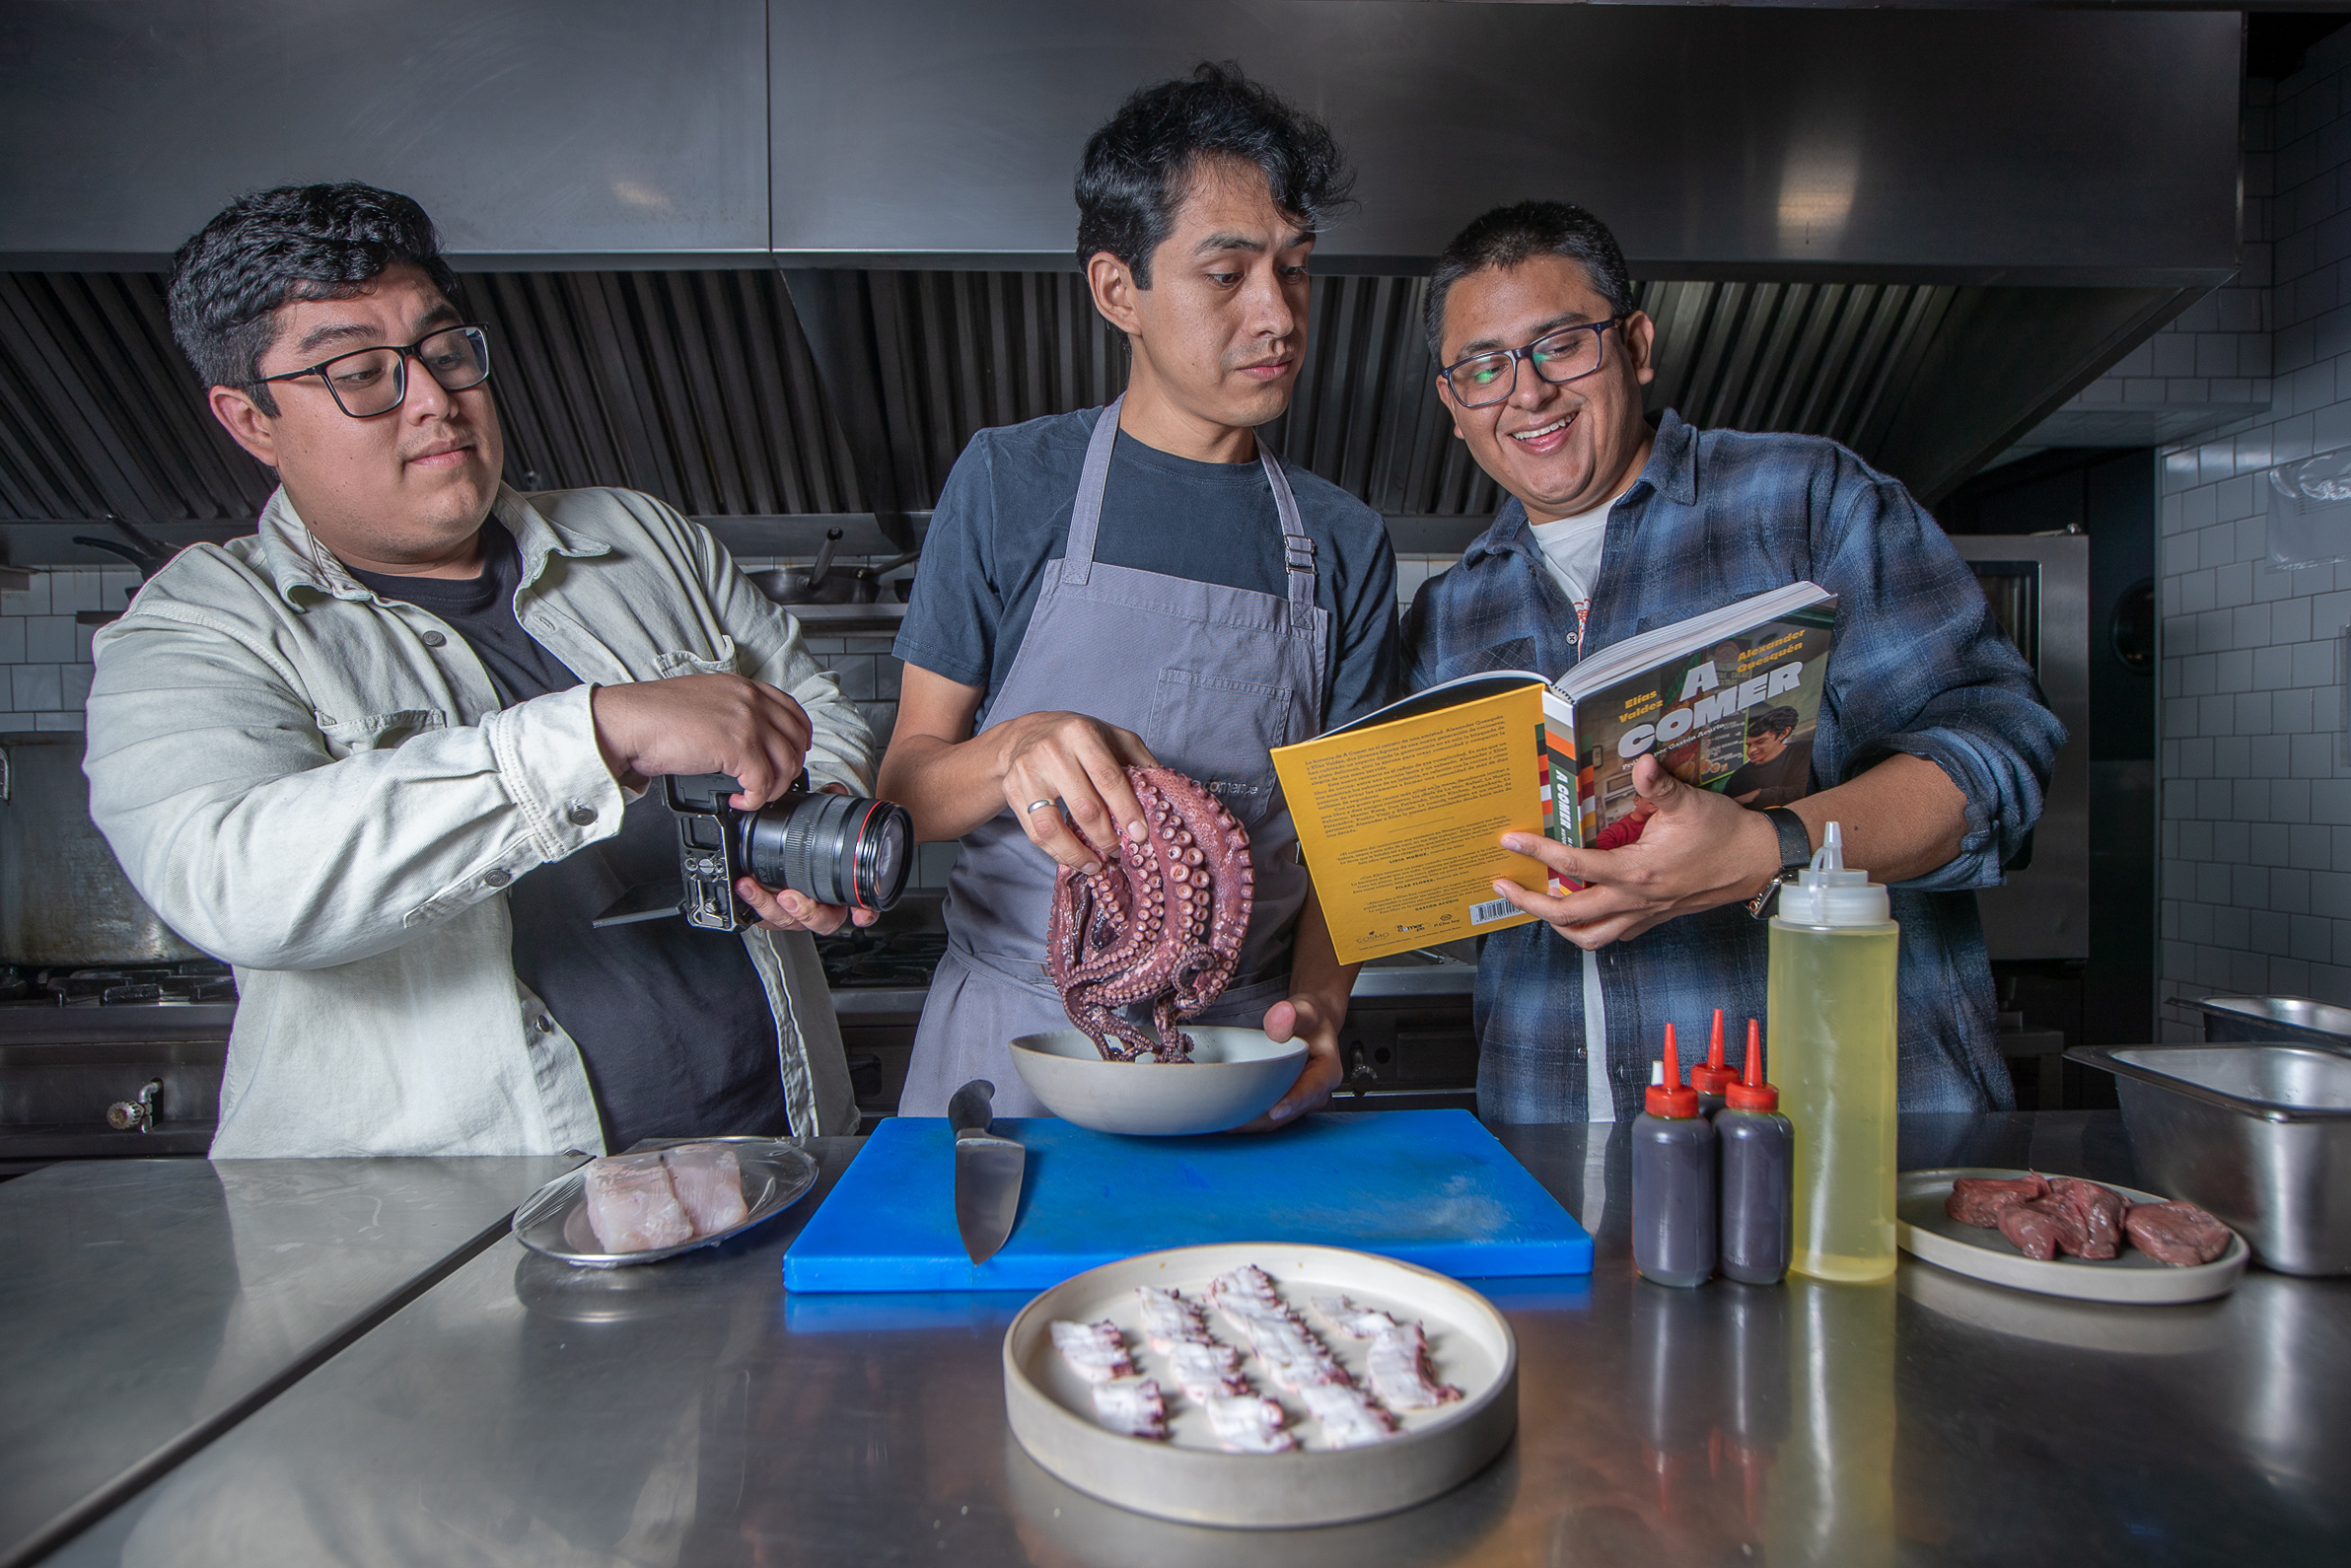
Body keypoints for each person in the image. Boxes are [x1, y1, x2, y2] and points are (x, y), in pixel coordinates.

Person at [84, 182, 878, 1158]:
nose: (431, 401)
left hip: (774, 1162)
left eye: (443, 350)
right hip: (443, 1252)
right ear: (251, 421)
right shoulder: (196, 627)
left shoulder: (640, 537)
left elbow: (812, 713)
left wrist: (815, 820)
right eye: (359, 373)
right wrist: (594, 733)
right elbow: (231, 880)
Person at [1402, 201, 2063, 1121]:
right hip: (1552, 1143)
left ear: (1635, 345)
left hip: (1835, 1147)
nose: (1527, 391)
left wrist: (1768, 850)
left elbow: (2000, 756)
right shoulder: (1449, 612)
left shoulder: (1806, 501)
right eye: (1483, 366)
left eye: (1561, 345)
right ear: (1453, 402)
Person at [880, 65, 1398, 1123]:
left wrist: (1317, 1007)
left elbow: (1358, 850)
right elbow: (904, 792)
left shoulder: (1342, 541)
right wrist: (1018, 744)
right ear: (1119, 290)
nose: (1278, 315)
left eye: (1294, 271)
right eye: (1226, 274)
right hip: (1009, 1044)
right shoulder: (1009, 483)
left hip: (1233, 1056)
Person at [1724, 706, 1812, 809]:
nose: (1750, 751)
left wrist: (1758, 794)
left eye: (1760, 742)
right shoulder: (1739, 777)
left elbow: (1807, 789)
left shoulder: (1805, 750)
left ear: (1783, 733)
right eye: (1748, 745)